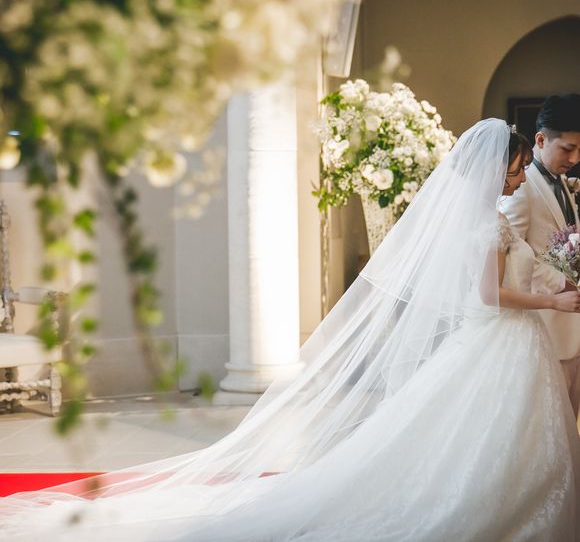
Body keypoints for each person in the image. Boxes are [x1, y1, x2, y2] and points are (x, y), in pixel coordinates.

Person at [2, 119, 580, 541]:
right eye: (512, 168)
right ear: (496, 167)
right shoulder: (483, 224)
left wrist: (551, 289)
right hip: (497, 338)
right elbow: (485, 295)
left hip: (507, 342)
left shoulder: (488, 217)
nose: (515, 177)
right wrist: (551, 302)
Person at [501, 94, 580, 417]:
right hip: (545, 321)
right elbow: (513, 254)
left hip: (571, 323)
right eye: (568, 148)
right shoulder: (520, 188)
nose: (575, 158)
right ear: (541, 140)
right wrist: (561, 284)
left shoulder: (563, 181)